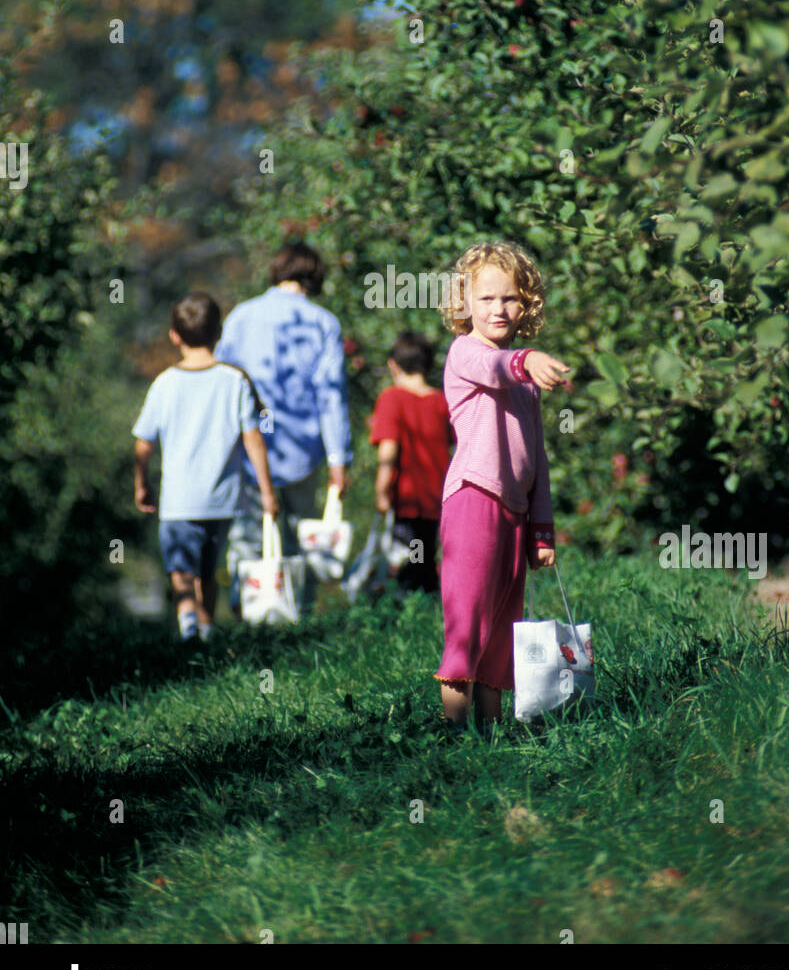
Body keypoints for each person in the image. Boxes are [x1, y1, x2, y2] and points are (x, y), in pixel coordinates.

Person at [435, 242, 572, 730]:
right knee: (468, 624)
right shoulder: (465, 353)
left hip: (514, 512)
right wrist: (527, 359)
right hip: (473, 501)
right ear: (464, 303)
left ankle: (491, 736)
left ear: (527, 304)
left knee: (502, 631)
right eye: (487, 298)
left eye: (510, 298)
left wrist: (542, 529)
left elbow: (536, 458)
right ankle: (454, 736)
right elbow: (495, 368)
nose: (499, 308)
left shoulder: (527, 382)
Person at [214, 242, 352, 617]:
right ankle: (296, 619)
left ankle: (247, 613)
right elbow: (330, 397)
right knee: (297, 539)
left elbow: (223, 383)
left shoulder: (242, 316)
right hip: (303, 452)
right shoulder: (324, 323)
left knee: (248, 537)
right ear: (314, 277)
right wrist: (339, 458)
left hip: (247, 450)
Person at [132, 291, 278, 642]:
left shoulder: (164, 383)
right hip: (222, 499)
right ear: (220, 333)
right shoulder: (235, 380)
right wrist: (267, 491)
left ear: (174, 336)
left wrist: (141, 484)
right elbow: (254, 438)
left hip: (178, 500)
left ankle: (188, 632)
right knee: (209, 571)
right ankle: (208, 629)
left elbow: (143, 442)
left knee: (181, 571)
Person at [370, 331, 454, 594]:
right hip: (437, 496)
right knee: (426, 560)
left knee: (408, 563)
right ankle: (428, 612)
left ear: (393, 364)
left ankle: (406, 616)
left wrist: (382, 491)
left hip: (406, 499)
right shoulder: (442, 401)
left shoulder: (391, 398)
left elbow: (388, 450)